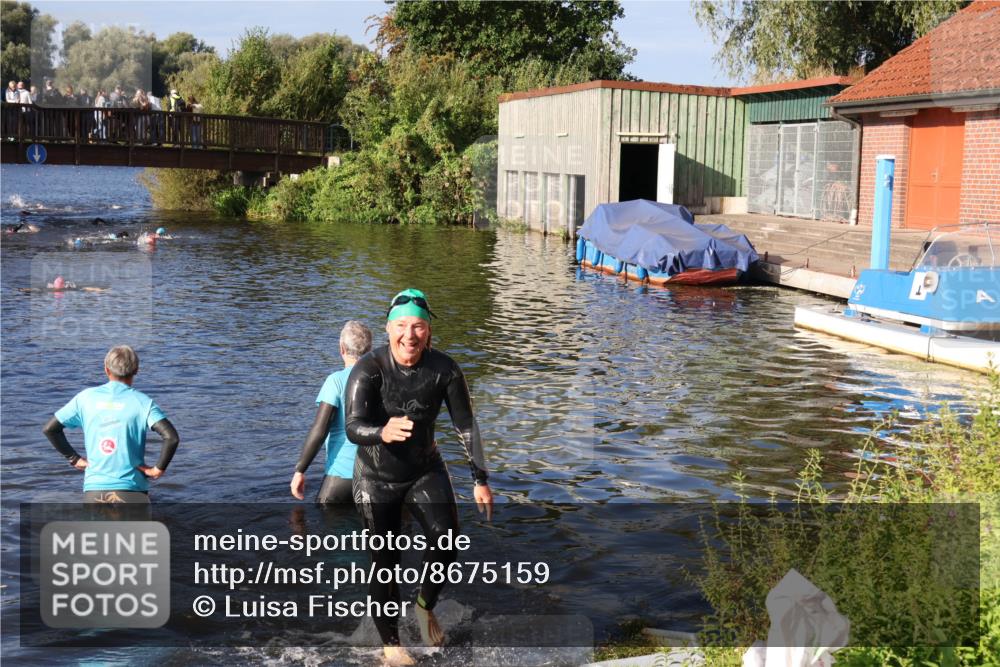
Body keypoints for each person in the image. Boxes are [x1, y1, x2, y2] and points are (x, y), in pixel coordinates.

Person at [344, 288, 493, 665]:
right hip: (375, 476)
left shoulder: (444, 369)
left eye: (419, 327)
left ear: (429, 331)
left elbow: (467, 426)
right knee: (385, 560)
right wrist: (382, 432)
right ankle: (392, 645)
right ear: (389, 328)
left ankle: (424, 607)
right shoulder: (369, 369)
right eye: (402, 326)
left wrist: (480, 480)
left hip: (425, 469)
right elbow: (352, 426)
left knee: (447, 538)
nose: (410, 335)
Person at [43, 345, 179, 503]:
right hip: (134, 491)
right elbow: (171, 437)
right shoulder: (143, 402)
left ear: (106, 369)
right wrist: (157, 470)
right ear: (136, 370)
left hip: (94, 492)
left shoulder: (85, 398)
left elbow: (50, 429)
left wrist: (74, 458)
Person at [291, 321, 373, 504]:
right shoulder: (381, 379)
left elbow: (320, 430)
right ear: (370, 349)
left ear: (341, 348)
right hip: (375, 476)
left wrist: (300, 470)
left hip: (341, 476)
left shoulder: (335, 381)